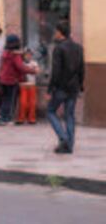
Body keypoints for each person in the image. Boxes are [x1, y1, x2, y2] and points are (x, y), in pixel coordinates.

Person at [47, 21, 84, 154]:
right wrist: (80, 85)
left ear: (59, 32)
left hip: (61, 87)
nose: (54, 34)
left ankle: (63, 138)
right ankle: (70, 145)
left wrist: (50, 88)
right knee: (69, 115)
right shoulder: (78, 48)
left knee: (50, 111)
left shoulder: (59, 48)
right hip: (73, 87)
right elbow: (81, 69)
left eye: (55, 31)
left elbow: (56, 71)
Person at [0, 34, 37, 125]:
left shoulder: (4, 53)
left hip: (3, 79)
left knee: (5, 98)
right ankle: (7, 118)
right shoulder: (15, 55)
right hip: (12, 80)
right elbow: (20, 67)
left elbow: (0, 66)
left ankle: (1, 116)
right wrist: (33, 71)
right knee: (11, 100)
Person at [16, 47, 39, 125]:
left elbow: (37, 71)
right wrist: (31, 70)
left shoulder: (34, 63)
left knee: (32, 103)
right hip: (23, 85)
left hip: (32, 85)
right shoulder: (21, 63)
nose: (28, 56)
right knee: (23, 102)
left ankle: (31, 118)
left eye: (29, 54)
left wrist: (29, 70)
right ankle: (21, 118)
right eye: (26, 54)